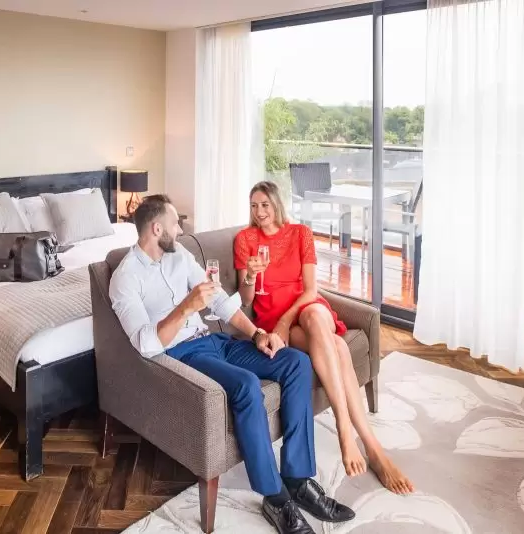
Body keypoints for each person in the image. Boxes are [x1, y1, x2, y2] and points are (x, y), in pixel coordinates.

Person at [110, 195, 355, 534]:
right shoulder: (125, 279)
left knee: (296, 362)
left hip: (216, 341)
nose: (180, 230)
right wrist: (185, 308)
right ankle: (276, 498)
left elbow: (222, 303)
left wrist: (257, 334)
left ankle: (297, 479)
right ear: (156, 228)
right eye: (175, 223)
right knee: (245, 385)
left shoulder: (178, 255)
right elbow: (145, 345)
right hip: (183, 355)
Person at [233, 181, 414, 496]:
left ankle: (345, 430)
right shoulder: (245, 239)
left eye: (264, 205)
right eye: (253, 206)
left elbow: (311, 291)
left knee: (317, 317)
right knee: (339, 347)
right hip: (270, 319)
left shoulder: (299, 234)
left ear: (276, 204)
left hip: (305, 309)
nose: (259, 212)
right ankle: (373, 448)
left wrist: (286, 323)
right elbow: (247, 299)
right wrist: (249, 273)